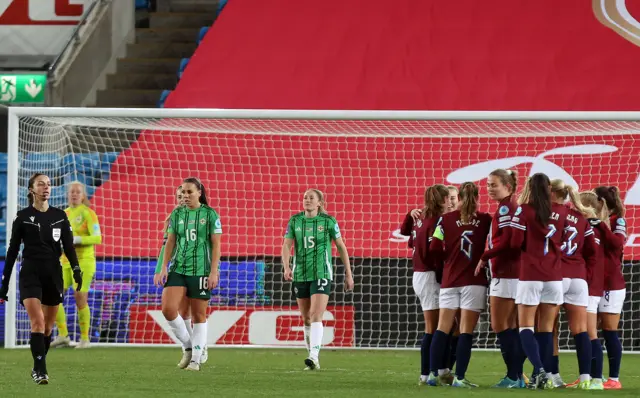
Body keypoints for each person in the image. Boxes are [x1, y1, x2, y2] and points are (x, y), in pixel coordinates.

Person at [0, 173, 82, 384]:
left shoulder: (60, 216)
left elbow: (69, 246)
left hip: (53, 274)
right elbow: (12, 251)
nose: (46, 187)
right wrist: (4, 283)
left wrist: (76, 269)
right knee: (37, 322)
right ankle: (41, 370)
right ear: (32, 189)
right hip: (30, 273)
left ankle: (38, 364)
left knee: (47, 328)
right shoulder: (22, 216)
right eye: (41, 184)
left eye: (48, 184)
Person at [282, 188, 354, 370]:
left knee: (316, 315)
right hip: (300, 273)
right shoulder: (295, 220)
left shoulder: (328, 221)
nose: (307, 200)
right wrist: (286, 266)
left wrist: (348, 273)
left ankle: (313, 356)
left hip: (321, 272)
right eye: (305, 197)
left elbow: (341, 247)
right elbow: (286, 245)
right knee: (306, 318)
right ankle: (313, 358)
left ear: (319, 203)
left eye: (311, 198)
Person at [428, 182, 491, 388]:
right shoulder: (485, 220)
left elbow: (434, 247)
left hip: (450, 280)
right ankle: (460, 378)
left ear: (459, 198)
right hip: (474, 280)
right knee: (465, 331)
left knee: (442, 328)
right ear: (477, 199)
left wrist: (448, 262)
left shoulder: (444, 220)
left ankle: (432, 374)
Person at [156, 177, 221, 371]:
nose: (185, 196)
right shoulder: (177, 214)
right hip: (178, 268)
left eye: (189, 192)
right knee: (168, 309)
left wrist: (214, 272)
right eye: (182, 192)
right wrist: (163, 267)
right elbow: (171, 242)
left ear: (199, 193)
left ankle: (196, 359)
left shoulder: (210, 214)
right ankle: (189, 346)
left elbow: (216, 245)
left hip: (201, 270)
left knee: (198, 315)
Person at [510, 173, 567, 389]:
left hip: (531, 275)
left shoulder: (524, 210)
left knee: (526, 327)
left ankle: (540, 370)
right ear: (549, 189)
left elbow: (515, 243)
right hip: (554, 277)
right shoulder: (561, 212)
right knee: (546, 330)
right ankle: (540, 376)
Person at [474, 169, 524, 388]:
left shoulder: (506, 208)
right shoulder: (509, 207)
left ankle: (514, 376)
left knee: (500, 325)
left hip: (506, 274)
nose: (489, 188)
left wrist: (485, 256)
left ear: (508, 186)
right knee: (512, 327)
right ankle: (518, 376)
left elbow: (510, 242)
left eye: (494, 184)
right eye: (488, 185)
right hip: (514, 275)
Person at [548, 179, 597, 389]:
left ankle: (553, 376)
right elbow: (592, 250)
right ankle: (586, 378)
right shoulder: (580, 216)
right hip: (578, 278)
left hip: (556, 275)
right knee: (581, 330)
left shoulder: (548, 213)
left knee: (550, 328)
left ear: (551, 192)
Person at [401, 184, 449, 385]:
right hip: (429, 275)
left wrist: (408, 214)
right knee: (434, 327)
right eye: (448, 198)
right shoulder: (438, 220)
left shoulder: (420, 217)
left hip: (419, 275)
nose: (450, 202)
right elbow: (433, 251)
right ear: (443, 200)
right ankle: (426, 373)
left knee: (439, 325)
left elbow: (406, 234)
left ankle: (439, 369)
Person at [51, 182, 102, 349]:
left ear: (83, 196)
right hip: (65, 262)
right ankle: (63, 335)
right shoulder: (63, 214)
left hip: (84, 262)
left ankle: (85, 339)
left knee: (80, 297)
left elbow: (97, 238)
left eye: (77, 192)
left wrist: (77, 240)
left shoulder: (89, 214)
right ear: (68, 194)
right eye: (71, 191)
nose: (74, 194)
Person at [592, 186, 627, 390]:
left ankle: (614, 378)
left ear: (602, 203)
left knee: (609, 331)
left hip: (611, 285)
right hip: (593, 283)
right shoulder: (593, 223)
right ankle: (590, 375)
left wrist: (602, 227)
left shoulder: (617, 221)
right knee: (589, 331)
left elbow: (617, 243)